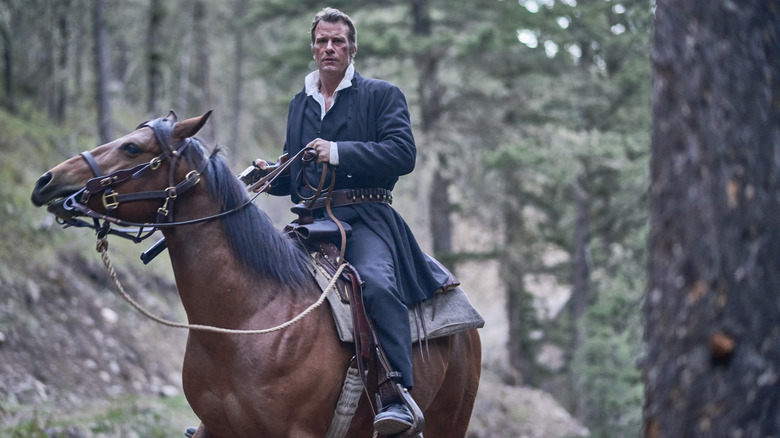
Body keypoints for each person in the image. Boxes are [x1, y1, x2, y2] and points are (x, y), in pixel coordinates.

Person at [254, 7, 454, 436]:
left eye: (338, 41)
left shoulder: (382, 95)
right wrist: (268, 174)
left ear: (352, 49)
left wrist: (339, 151)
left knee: (378, 285)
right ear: (313, 49)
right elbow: (295, 174)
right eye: (323, 41)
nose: (330, 48)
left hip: (366, 218)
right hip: (310, 222)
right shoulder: (299, 103)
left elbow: (404, 155)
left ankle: (395, 394)